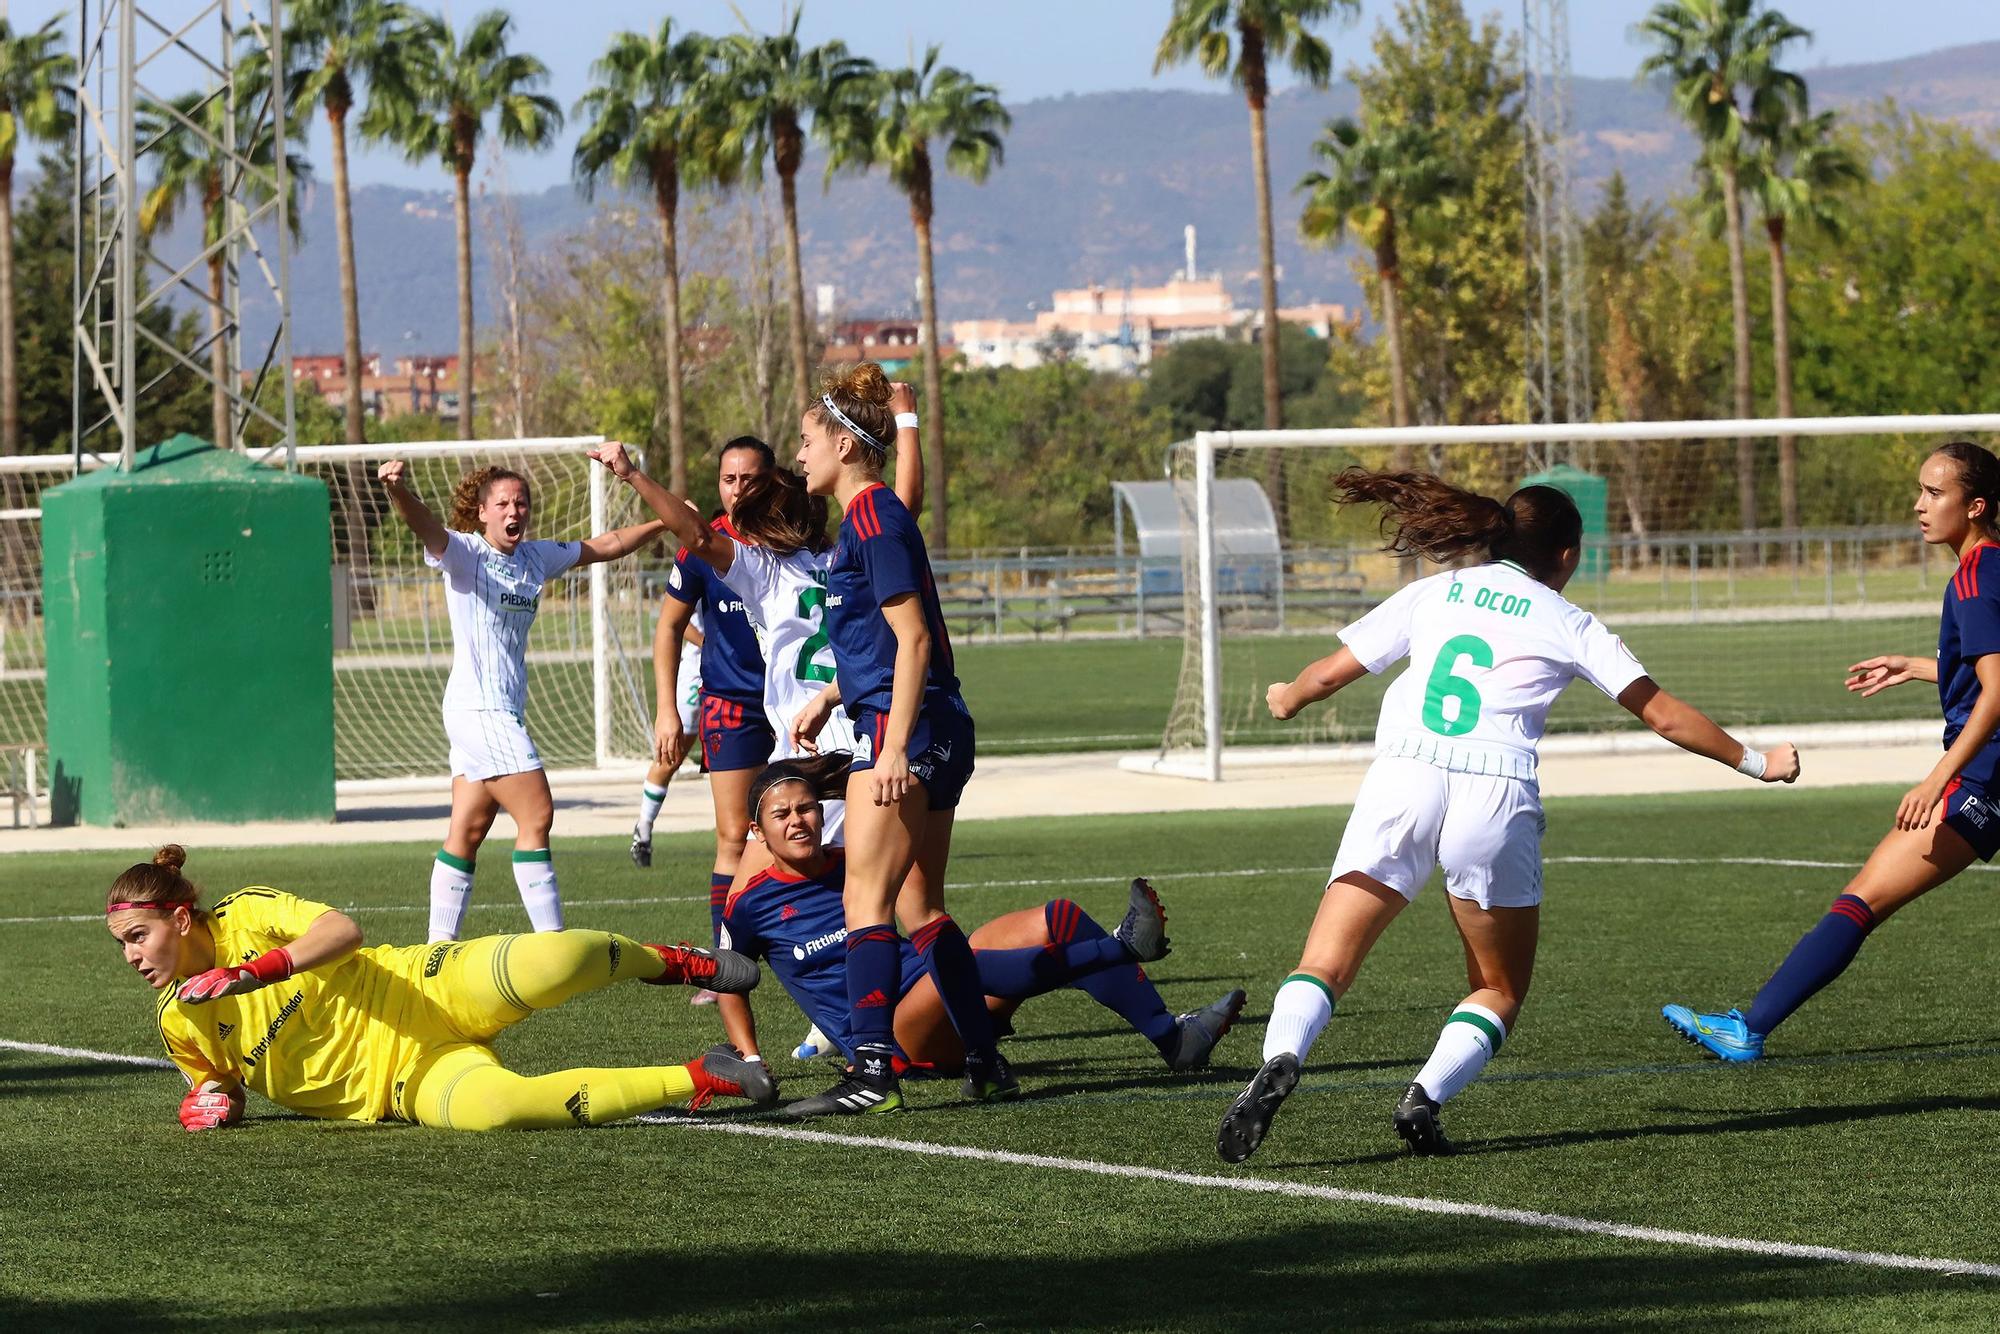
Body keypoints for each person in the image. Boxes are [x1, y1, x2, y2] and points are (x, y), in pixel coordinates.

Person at [1215, 468, 1801, 1164]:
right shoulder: (1569, 620)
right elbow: (1663, 715)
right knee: (1497, 986)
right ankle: (1422, 1098)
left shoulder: (1436, 590)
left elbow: (1328, 674)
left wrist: (1285, 697)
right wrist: (1759, 762)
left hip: (1404, 777)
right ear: (1566, 555)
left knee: (1327, 962)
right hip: (1493, 792)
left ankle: (1282, 1055)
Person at [1664, 441, 2000, 1064]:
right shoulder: (1991, 567)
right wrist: (1923, 666)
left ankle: (1749, 1028)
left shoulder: (1977, 578)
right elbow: (1984, 671)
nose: (1919, 505)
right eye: (1920, 491)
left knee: (1860, 901)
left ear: (1975, 505)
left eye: (1935, 494)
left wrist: (1939, 779)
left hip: (1981, 778)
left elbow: (1998, 692)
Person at [106, 845, 775, 1132]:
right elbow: (215, 1083)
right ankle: (702, 1076)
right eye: (123, 946)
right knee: (502, 1111)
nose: (132, 957)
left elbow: (343, 931)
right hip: (402, 1085)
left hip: (417, 989)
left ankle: (675, 964)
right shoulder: (177, 1018)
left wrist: (255, 972)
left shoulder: (248, 911)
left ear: (181, 918)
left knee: (556, 961)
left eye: (137, 937)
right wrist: (211, 1103)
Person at [717, 757, 1246, 1099]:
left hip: (938, 990)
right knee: (957, 968)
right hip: (893, 1037)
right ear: (757, 831)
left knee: (1055, 919)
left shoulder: (857, 860)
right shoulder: (749, 904)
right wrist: (751, 1058)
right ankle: (1122, 948)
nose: (798, 821)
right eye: (782, 814)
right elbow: (725, 977)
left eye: (806, 808)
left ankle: (1172, 1039)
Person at [784, 363, 1007, 1116]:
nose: (800, 452)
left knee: (865, 901)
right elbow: (886, 642)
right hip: (934, 724)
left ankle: (872, 1073)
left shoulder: (874, 519)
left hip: (907, 731)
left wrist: (890, 750)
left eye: (809, 439)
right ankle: (983, 1053)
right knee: (920, 907)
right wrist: (829, 694)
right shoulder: (871, 519)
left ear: (846, 447)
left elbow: (912, 642)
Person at [378, 461, 667, 942]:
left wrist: (664, 521)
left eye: (521, 502)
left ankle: (437, 948)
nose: (515, 511)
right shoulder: (466, 553)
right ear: (483, 513)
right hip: (481, 709)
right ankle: (552, 943)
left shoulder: (535, 557)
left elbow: (607, 545)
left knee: (468, 831)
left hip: (496, 711)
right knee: (536, 814)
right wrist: (397, 490)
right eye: (504, 504)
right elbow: (425, 526)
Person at [652, 441, 775, 968]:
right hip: (731, 703)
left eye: (749, 479)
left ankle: (812, 950)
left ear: (771, 481)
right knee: (733, 834)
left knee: (817, 831)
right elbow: (669, 627)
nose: (738, 489)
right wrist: (667, 708)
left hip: (796, 705)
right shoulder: (702, 548)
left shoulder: (793, 542)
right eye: (729, 479)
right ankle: (723, 961)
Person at [630, 614, 702, 869]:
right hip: (699, 674)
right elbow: (673, 619)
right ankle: (644, 829)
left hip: (743, 668)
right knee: (671, 756)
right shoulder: (699, 572)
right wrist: (708, 642)